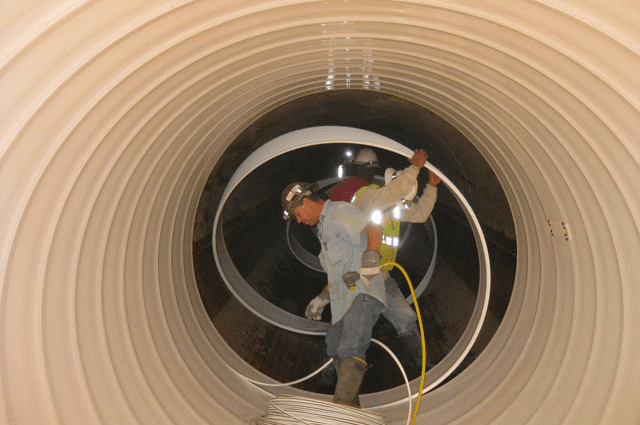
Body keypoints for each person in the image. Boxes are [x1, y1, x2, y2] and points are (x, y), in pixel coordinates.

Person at [319, 147, 441, 372]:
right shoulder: (368, 196)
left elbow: (420, 214)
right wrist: (415, 167)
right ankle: (333, 374)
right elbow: (395, 191)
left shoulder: (394, 207)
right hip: (358, 277)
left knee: (405, 317)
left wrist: (431, 187)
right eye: (399, 195)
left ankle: (422, 366)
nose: (401, 202)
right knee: (352, 333)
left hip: (383, 276)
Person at [281, 181, 387, 407]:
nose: (299, 220)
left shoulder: (339, 211)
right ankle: (351, 407)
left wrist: (371, 255)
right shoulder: (323, 231)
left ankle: (341, 413)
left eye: (298, 214)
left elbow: (373, 226)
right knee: (334, 345)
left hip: (361, 292)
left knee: (351, 348)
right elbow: (337, 271)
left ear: (307, 202)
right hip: (343, 303)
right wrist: (322, 297)